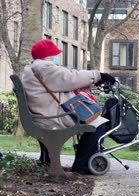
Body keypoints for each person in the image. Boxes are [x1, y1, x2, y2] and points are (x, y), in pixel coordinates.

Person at [22, 39, 116, 174]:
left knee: (95, 123)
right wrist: (98, 75)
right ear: (47, 55)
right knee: (98, 125)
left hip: (43, 114)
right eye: (53, 54)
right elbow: (70, 77)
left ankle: (77, 162)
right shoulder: (44, 68)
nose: (55, 57)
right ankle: (81, 166)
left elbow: (64, 78)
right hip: (51, 117)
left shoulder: (32, 68)